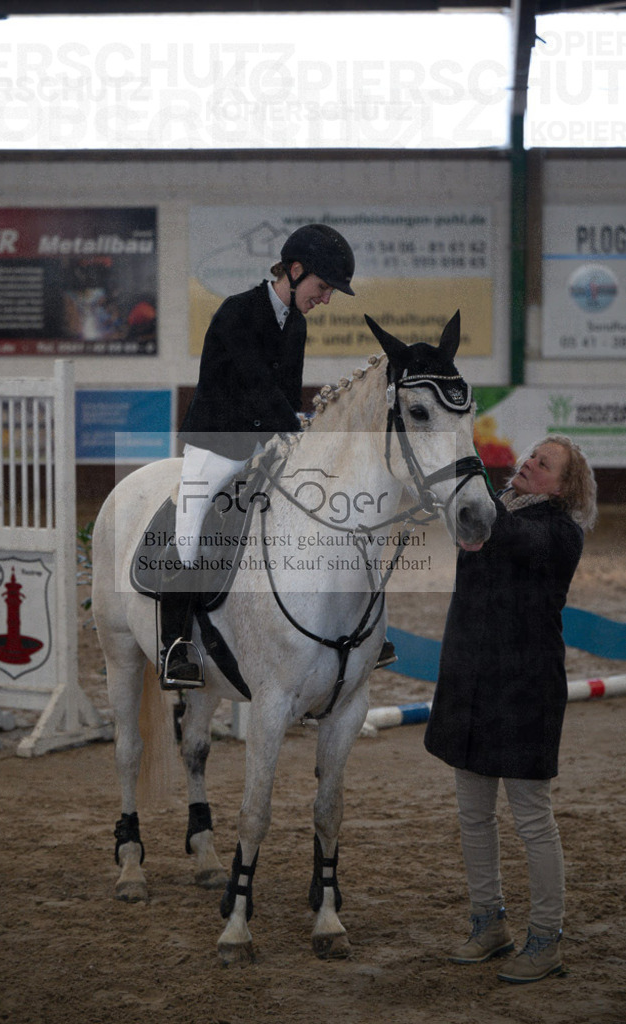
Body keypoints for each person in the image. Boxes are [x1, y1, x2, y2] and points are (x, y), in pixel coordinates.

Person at [160, 224, 397, 689]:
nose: (325, 299)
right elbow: (254, 385)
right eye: (322, 287)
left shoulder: (298, 325)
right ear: (294, 270)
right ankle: (175, 645)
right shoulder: (237, 313)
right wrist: (292, 426)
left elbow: (285, 396)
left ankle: (362, 626)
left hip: (264, 442)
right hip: (217, 444)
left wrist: (300, 428)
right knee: (190, 524)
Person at [423, 434, 598, 984]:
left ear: (564, 486)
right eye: (529, 457)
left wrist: (467, 467)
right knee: (474, 816)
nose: (527, 464)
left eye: (542, 464)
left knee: (532, 821)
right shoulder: (489, 516)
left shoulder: (560, 533)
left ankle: (545, 940)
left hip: (524, 690)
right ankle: (489, 925)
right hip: (470, 682)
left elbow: (511, 533)